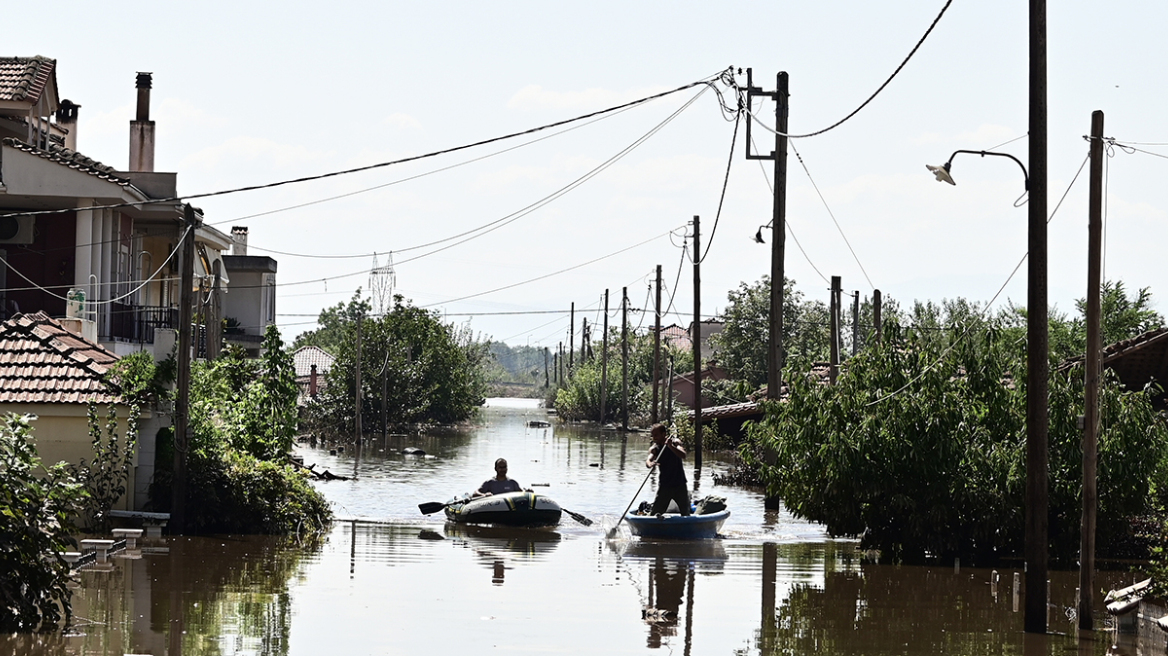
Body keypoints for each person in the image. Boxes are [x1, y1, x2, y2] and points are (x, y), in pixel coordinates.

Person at [646, 423, 690, 516]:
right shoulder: (655, 448)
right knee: (655, 513)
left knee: (685, 513)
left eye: (656, 435)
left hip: (680, 484)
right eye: (653, 435)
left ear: (663, 434)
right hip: (665, 486)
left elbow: (683, 455)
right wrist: (650, 464)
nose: (654, 438)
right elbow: (649, 460)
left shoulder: (675, 442)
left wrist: (671, 446)